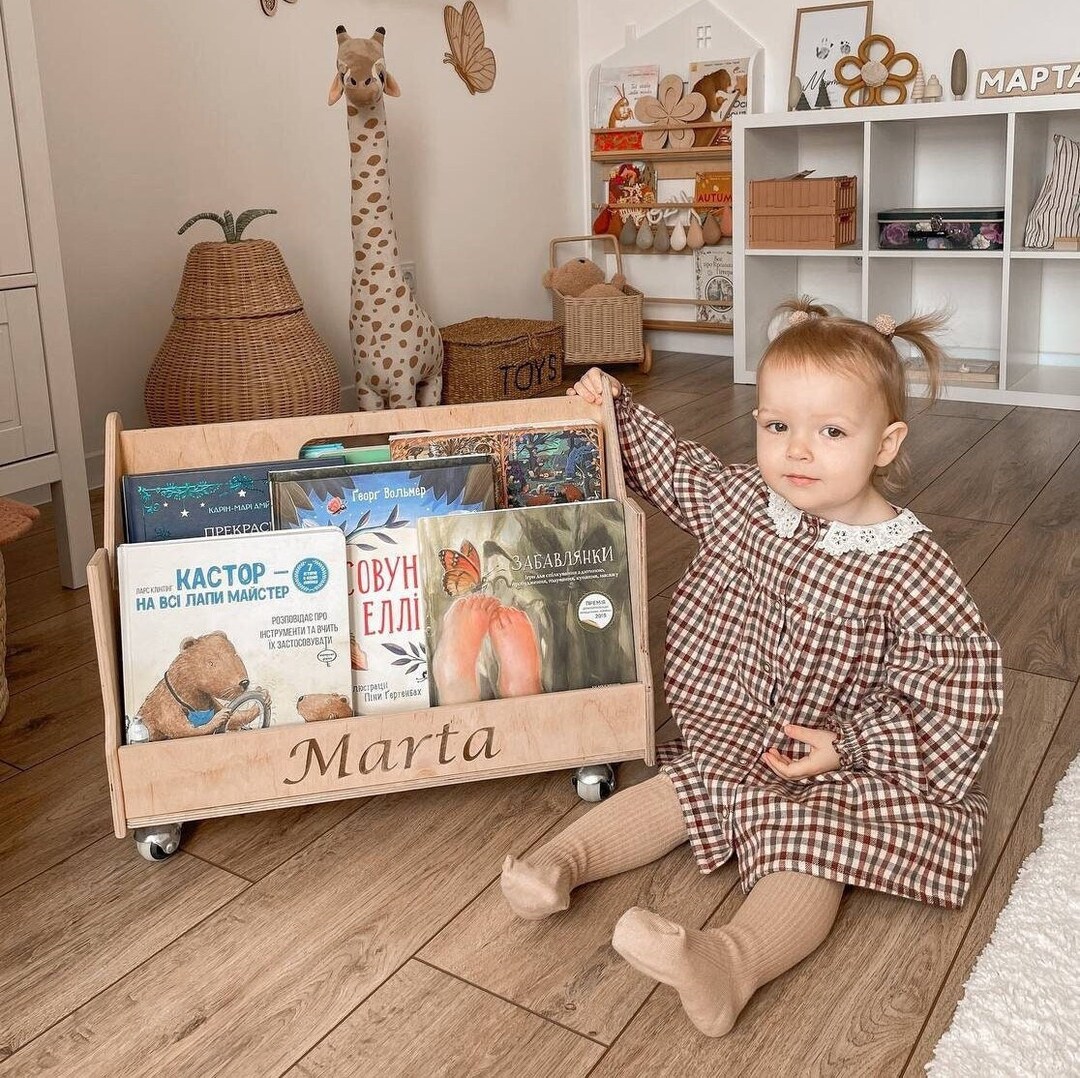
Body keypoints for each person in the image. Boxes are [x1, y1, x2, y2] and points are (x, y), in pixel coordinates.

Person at [499, 299, 1004, 1038]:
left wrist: (850, 744)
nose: (798, 451)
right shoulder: (745, 501)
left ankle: (730, 961)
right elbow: (677, 469)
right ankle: (558, 863)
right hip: (739, 727)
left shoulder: (906, 563)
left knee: (810, 841)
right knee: (686, 783)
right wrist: (613, 404)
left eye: (831, 432)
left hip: (838, 760)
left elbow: (960, 681)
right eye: (777, 427)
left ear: (885, 443)